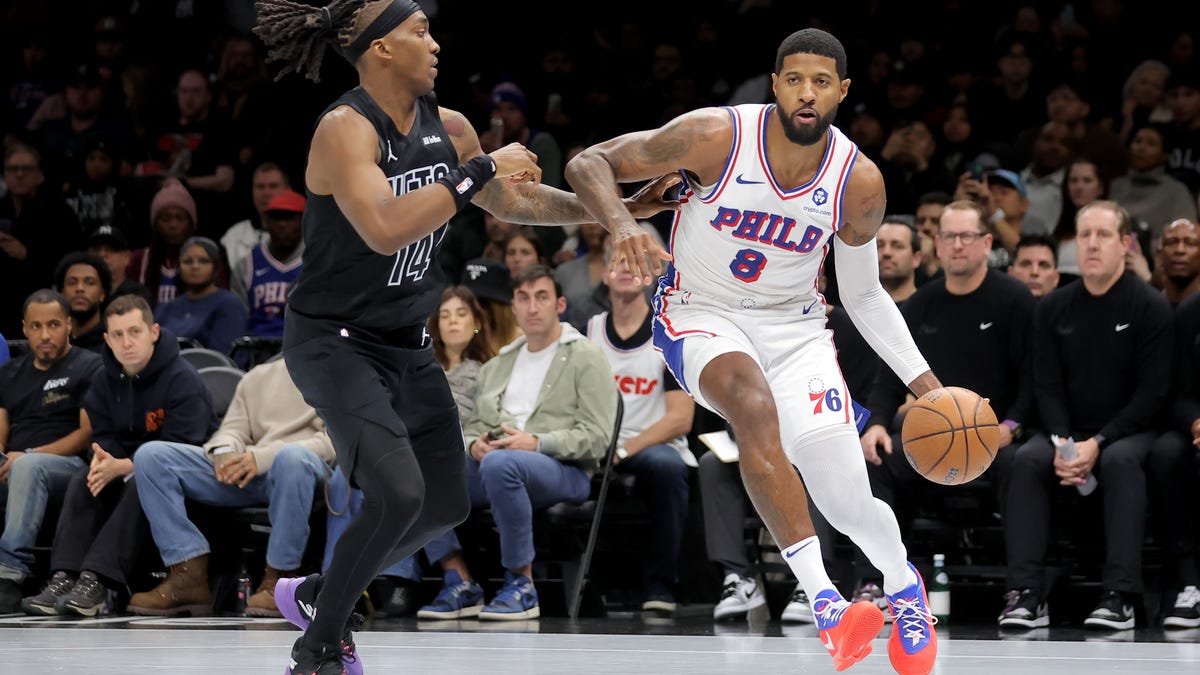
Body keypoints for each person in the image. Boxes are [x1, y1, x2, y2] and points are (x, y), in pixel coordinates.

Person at [251, 3, 676, 673]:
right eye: (419, 32)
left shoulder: (449, 126)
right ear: (380, 49)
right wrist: (479, 170)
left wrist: (618, 209)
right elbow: (386, 227)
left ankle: (318, 594)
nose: (435, 43)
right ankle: (319, 646)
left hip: (402, 338)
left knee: (445, 499)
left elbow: (515, 202)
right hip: (333, 341)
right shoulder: (343, 129)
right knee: (398, 493)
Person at [566, 27, 941, 675]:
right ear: (774, 83)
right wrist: (626, 226)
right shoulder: (716, 135)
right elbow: (586, 164)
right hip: (698, 315)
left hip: (796, 331)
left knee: (848, 499)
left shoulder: (859, 183)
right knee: (750, 405)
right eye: (793, 78)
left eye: (821, 82)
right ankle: (826, 602)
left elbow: (866, 295)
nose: (806, 93)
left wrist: (926, 385)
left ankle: (904, 585)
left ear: (842, 92)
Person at [1000, 201, 1174, 631]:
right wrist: (1064, 442)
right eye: (1084, 235)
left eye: (1103, 235)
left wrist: (1098, 443)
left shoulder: (1150, 306)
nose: (1092, 244)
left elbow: (1152, 394)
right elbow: (1047, 386)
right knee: (1025, 461)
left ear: (1126, 244)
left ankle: (1120, 596)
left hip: (1129, 431)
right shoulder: (1054, 307)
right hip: (1068, 430)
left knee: (1120, 461)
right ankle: (1025, 593)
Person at [414, 265, 616, 622]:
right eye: (523, 298)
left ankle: (522, 584)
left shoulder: (587, 356)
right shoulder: (500, 363)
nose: (532, 307)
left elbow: (597, 438)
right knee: (426, 465)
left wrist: (536, 442)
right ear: (513, 307)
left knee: (500, 464)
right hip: (499, 464)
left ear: (561, 304)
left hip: (564, 471)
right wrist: (475, 443)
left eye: (542, 297)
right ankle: (458, 579)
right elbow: (475, 425)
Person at [22, 295, 217, 616]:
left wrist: (124, 465)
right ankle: (65, 576)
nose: (127, 342)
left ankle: (98, 580)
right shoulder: (102, 380)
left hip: (185, 477)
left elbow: (184, 446)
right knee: (84, 478)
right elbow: (102, 437)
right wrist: (106, 463)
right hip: (126, 470)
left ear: (153, 332)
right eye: (117, 334)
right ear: (106, 339)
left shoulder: (183, 379)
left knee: (142, 480)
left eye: (134, 332)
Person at [128, 358, 334, 617]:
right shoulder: (258, 376)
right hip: (249, 469)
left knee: (290, 459)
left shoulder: (339, 372)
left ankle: (280, 583)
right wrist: (226, 454)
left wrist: (262, 458)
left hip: (305, 470)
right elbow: (232, 430)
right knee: (152, 456)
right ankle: (187, 573)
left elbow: (334, 441)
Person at [586, 261, 695, 615]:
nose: (625, 269)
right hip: (594, 442)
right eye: (617, 261)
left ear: (650, 277)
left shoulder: (668, 334)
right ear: (604, 274)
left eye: (636, 263)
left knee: (666, 467)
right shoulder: (587, 331)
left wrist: (623, 449)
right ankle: (577, 583)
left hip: (650, 445)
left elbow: (681, 419)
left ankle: (661, 584)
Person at [0, 291, 102, 613]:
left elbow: (86, 434)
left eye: (54, 324)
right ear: (25, 329)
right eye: (37, 326)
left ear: (69, 325)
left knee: (29, 467)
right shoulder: (10, 373)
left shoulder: (89, 365)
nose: (45, 335)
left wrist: (28, 454)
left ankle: (8, 577)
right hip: (15, 464)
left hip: (67, 468)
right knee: (21, 466)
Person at [231, 189, 306, 338]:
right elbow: (238, 319)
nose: (282, 224)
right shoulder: (247, 264)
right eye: (276, 218)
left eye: (290, 218)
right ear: (266, 222)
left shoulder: (317, 261)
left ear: (305, 220)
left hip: (301, 346)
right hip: (257, 348)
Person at [153, 236, 247, 354]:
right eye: (188, 261)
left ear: (216, 267)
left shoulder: (229, 304)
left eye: (203, 261)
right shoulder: (166, 308)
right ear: (179, 267)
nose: (195, 267)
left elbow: (223, 357)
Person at [222, 161, 291, 269]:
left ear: (288, 190)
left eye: (273, 186)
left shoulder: (306, 234)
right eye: (260, 187)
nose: (266, 193)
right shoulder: (234, 236)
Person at [53, 252, 112, 353]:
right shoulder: (50, 341)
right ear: (61, 293)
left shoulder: (113, 345)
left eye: (90, 282)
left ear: (102, 293)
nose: (79, 288)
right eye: (72, 282)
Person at [87, 225, 153, 305]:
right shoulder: (81, 293)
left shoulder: (138, 295)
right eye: (97, 250)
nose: (102, 254)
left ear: (126, 257)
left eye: (111, 249)